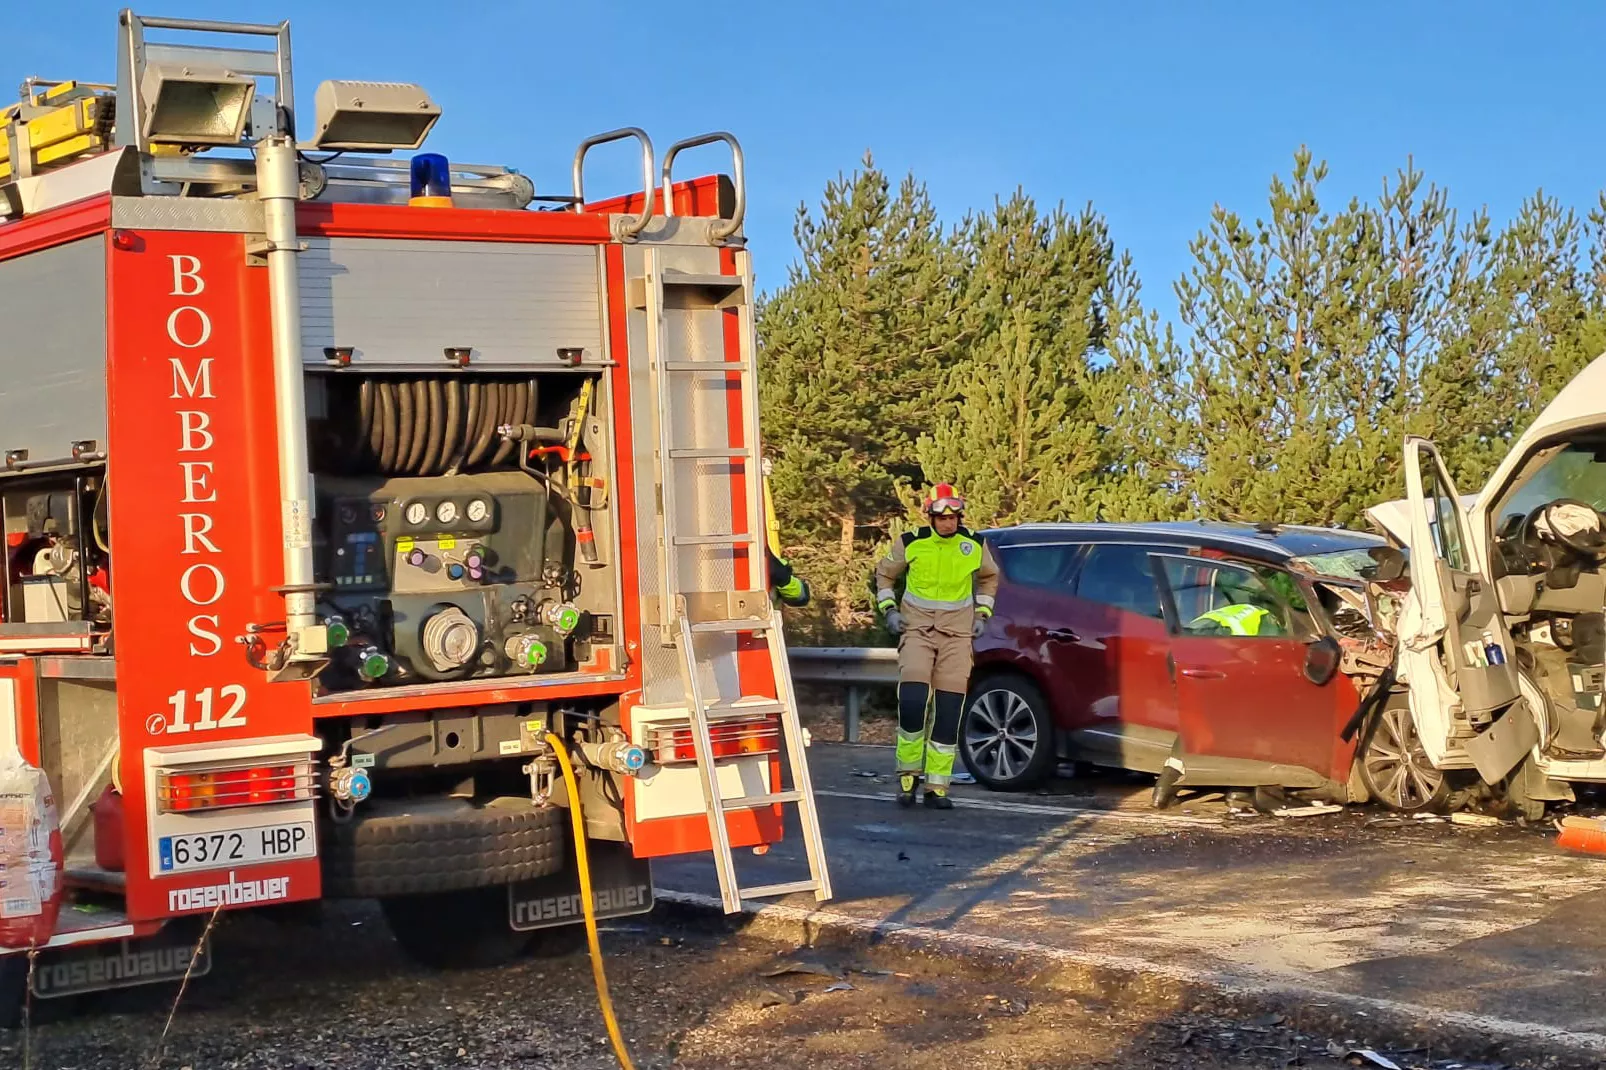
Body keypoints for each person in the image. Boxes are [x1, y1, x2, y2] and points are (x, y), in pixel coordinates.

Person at [873, 483, 999, 809]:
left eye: (954, 517)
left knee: (948, 712)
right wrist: (889, 611)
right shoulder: (912, 543)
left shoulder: (974, 545)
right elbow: (885, 575)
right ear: (929, 515)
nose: (948, 523)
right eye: (942, 517)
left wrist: (983, 613)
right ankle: (907, 776)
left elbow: (989, 578)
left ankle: (937, 787)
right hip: (917, 631)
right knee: (913, 703)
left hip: (957, 637)